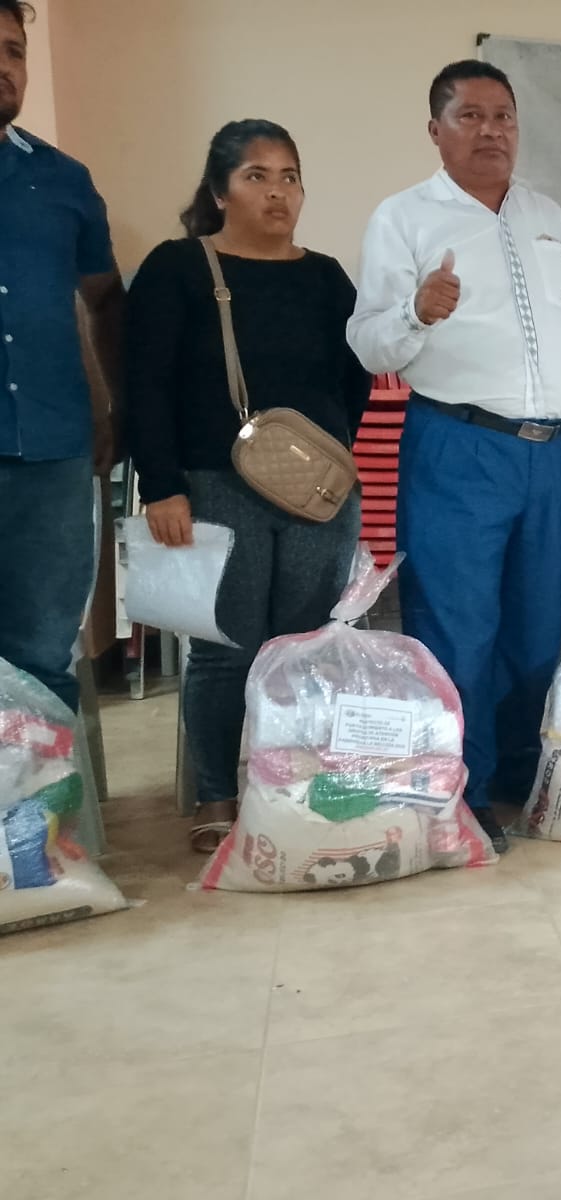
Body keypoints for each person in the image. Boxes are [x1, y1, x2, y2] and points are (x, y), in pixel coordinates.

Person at [348, 60, 561, 850]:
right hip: (458, 444)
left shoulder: (549, 215)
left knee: (537, 625)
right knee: (458, 627)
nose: (491, 131)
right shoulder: (404, 218)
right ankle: (462, 790)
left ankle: (518, 772)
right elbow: (368, 340)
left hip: (549, 453)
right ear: (436, 130)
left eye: (503, 116)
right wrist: (417, 311)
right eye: (471, 115)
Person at [125, 120, 370, 852]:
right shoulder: (177, 268)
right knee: (225, 648)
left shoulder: (326, 277)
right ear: (218, 191)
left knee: (303, 649)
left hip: (318, 495)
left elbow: (355, 379)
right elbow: (146, 384)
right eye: (256, 176)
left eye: (289, 176)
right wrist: (161, 485)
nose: (277, 193)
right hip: (212, 486)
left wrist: (321, 459)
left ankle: (287, 787)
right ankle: (217, 795)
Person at [0, 0, 124, 712]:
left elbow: (103, 299)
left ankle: (38, 791)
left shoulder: (63, 181)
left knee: (42, 658)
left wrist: (109, 404)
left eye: (14, 50)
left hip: (52, 452)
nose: (5, 65)